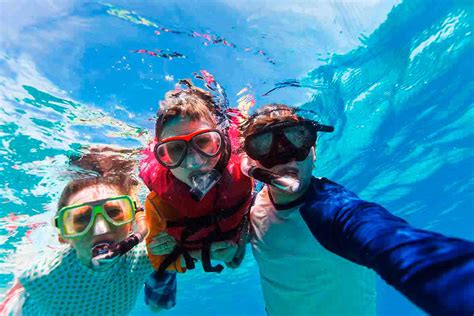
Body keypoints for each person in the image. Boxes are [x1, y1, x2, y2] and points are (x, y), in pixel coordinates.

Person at [241, 103, 474, 315]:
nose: (284, 155)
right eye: (263, 145)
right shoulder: (250, 207)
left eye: (297, 138)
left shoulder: (329, 210)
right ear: (254, 160)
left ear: (314, 150)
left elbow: (391, 242)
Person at [139, 79, 253, 310]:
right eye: (175, 150)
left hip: (229, 234)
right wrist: (199, 254)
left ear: (220, 141)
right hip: (184, 248)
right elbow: (160, 258)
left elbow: (252, 208)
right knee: (157, 302)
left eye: (204, 142)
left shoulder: (244, 168)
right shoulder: (158, 199)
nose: (194, 161)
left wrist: (240, 240)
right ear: (162, 157)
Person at [0, 163, 153, 315]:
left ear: (131, 220)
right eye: (83, 218)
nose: (102, 229)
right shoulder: (42, 277)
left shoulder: (146, 256)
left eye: (113, 212)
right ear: (63, 235)